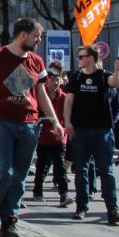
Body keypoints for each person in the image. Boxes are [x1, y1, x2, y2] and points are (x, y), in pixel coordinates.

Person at [0, 18, 62, 237]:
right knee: (2, 170)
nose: (39, 41)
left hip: (29, 124)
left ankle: (10, 219)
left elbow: (40, 93)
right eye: (36, 37)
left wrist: (55, 121)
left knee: (20, 174)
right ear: (23, 35)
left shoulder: (37, 62)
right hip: (0, 122)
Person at [64, 45, 119, 225]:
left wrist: (117, 70)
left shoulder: (103, 75)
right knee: (81, 170)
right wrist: (67, 122)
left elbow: (114, 81)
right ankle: (81, 207)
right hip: (80, 130)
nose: (79, 60)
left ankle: (112, 209)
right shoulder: (76, 77)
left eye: (82, 56)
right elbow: (68, 101)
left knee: (106, 171)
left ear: (91, 58)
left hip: (102, 131)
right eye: (79, 56)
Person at [33, 62, 69, 207]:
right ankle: (37, 191)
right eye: (52, 79)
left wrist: (65, 130)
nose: (55, 82)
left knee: (60, 167)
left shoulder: (64, 97)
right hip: (43, 138)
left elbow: (66, 117)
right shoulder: (41, 96)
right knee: (42, 166)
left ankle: (63, 194)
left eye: (58, 79)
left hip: (59, 137)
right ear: (47, 80)